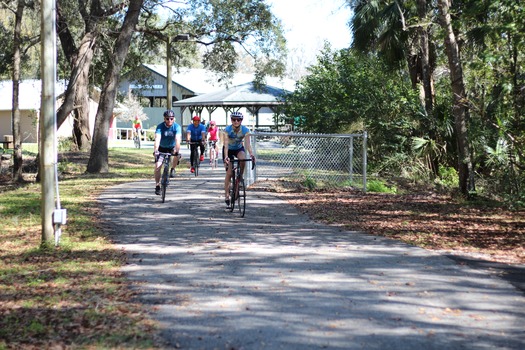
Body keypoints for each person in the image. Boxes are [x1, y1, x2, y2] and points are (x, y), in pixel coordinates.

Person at [221, 111, 255, 207]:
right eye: (233, 119)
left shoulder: (245, 130)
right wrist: (226, 156)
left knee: (243, 159)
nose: (236, 121)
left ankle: (240, 177)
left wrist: (251, 154)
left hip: (238, 148)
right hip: (228, 150)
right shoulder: (227, 130)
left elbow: (248, 144)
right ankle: (227, 195)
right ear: (231, 120)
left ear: (241, 121)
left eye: (238, 119)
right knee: (229, 173)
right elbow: (226, 145)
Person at [153, 110, 181, 195]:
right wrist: (156, 150)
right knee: (158, 166)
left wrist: (177, 150)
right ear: (164, 119)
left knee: (177, 155)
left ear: (174, 119)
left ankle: (173, 168)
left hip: (171, 147)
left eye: (171, 119)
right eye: (167, 118)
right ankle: (157, 185)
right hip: (161, 148)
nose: (169, 120)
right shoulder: (160, 127)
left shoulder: (177, 127)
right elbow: (157, 138)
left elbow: (177, 139)